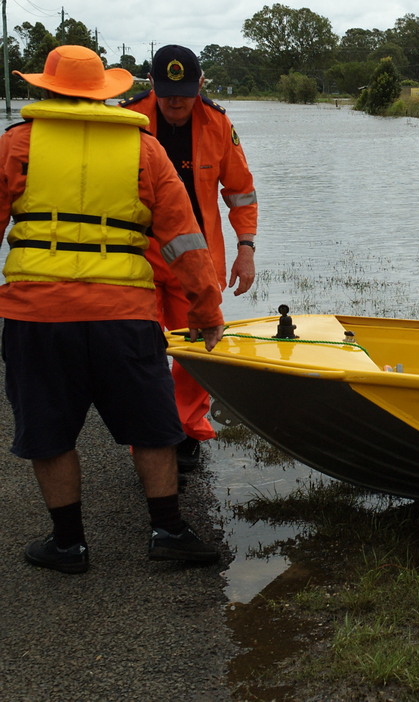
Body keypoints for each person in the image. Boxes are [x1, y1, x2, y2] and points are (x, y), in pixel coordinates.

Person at [0, 45, 226, 573]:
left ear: (45, 89)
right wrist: (206, 309)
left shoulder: (16, 145)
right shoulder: (143, 149)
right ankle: (168, 530)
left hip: (38, 316)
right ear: (106, 92)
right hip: (124, 314)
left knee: (49, 431)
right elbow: (183, 237)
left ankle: (69, 544)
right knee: (151, 425)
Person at [122, 45, 258, 471]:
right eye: (166, 92)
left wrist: (246, 248)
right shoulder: (127, 121)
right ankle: (150, 434)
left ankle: (185, 429)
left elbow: (240, 192)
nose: (175, 101)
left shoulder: (218, 123)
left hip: (194, 258)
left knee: (198, 345)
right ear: (151, 85)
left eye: (183, 91)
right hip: (135, 255)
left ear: (200, 84)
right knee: (139, 348)